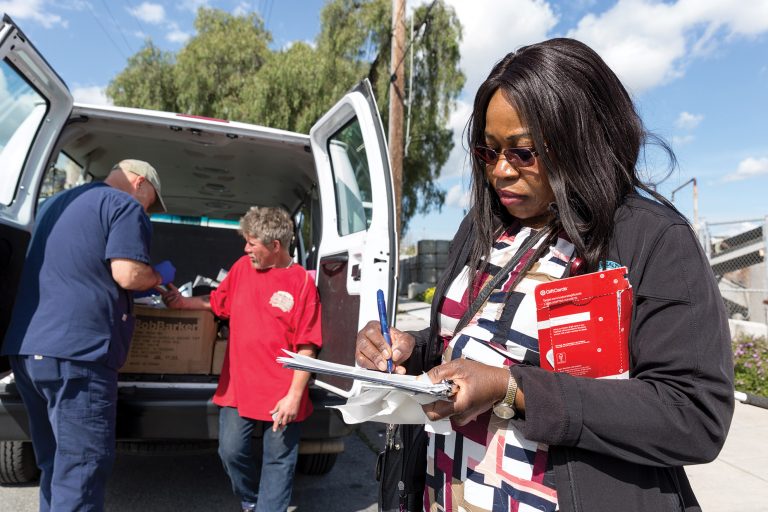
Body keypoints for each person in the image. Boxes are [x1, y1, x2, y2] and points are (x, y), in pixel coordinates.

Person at [356, 38, 734, 512]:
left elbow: (693, 416)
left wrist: (513, 389)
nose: (500, 172)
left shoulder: (651, 239)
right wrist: (412, 352)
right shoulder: (482, 227)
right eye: (488, 152)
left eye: (523, 152)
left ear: (583, 138)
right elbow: (476, 343)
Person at [2, 159, 167, 511]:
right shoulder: (123, 204)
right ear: (139, 183)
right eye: (151, 200)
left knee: (55, 464)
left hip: (30, 351)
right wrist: (158, 277)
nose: (148, 210)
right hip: (78, 355)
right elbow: (127, 274)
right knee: (81, 471)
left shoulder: (55, 204)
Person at [161, 206, 322, 512]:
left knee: (279, 462)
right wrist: (182, 303)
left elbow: (307, 347)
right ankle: (251, 499)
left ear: (275, 247)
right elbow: (218, 303)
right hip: (238, 387)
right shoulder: (241, 268)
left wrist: (293, 396)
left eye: (252, 243)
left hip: (282, 392)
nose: (245, 248)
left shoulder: (301, 282)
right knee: (230, 451)